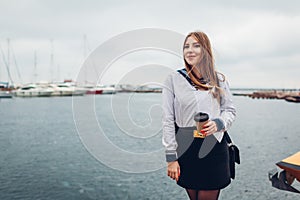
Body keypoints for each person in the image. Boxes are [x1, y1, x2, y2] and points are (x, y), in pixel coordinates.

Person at [162, 31, 236, 200]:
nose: (190, 50)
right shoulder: (173, 79)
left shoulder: (219, 79)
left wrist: (218, 123)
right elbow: (167, 120)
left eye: (196, 45)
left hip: (214, 146)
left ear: (205, 51)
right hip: (186, 148)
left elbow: (230, 110)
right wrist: (171, 158)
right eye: (186, 46)